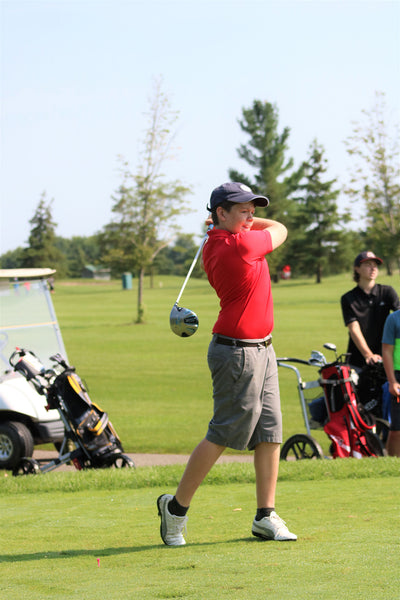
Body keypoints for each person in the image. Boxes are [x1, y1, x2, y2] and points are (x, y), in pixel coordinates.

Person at [157, 181, 297, 546]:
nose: (252, 217)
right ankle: (175, 509)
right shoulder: (239, 246)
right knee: (223, 432)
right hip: (238, 354)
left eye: (254, 209)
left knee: (270, 432)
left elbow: (253, 225)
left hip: (262, 350)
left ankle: (265, 516)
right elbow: (280, 230)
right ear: (220, 213)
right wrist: (252, 224)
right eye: (244, 210)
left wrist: (237, 220)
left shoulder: (223, 239)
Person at [340, 251, 400, 370]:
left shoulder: (387, 292)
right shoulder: (348, 298)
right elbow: (354, 329)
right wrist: (368, 355)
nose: (373, 268)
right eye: (368, 264)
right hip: (358, 361)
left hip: (386, 357)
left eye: (375, 265)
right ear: (357, 269)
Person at [382, 310, 400, 457]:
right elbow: (387, 350)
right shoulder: (394, 319)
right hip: (399, 377)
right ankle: (393, 466)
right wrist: (392, 381)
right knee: (397, 429)